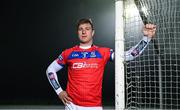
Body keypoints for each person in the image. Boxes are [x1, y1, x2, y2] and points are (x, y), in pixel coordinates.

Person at [46, 18, 156, 110]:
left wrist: (146, 38)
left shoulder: (102, 52)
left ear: (92, 32)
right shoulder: (68, 53)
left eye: (87, 29)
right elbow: (50, 70)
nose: (84, 32)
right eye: (81, 29)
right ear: (77, 32)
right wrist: (59, 91)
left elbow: (130, 55)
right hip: (71, 106)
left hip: (94, 107)